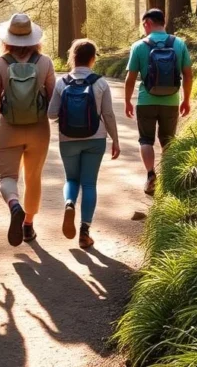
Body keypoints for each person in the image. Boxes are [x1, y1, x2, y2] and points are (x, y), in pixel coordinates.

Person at [0, 13, 55, 247]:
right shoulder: (44, 62)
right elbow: (54, 98)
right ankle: (28, 226)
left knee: (7, 177)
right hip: (39, 129)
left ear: (7, 39)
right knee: (33, 178)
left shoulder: (0, 63)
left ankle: (14, 205)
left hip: (9, 128)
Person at [48, 39, 120, 249]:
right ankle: (84, 232)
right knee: (89, 184)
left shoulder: (63, 83)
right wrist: (115, 139)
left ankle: (69, 203)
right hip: (95, 139)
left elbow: (52, 113)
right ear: (92, 58)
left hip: (68, 139)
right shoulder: (100, 82)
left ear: (72, 57)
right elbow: (108, 114)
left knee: (72, 179)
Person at [123, 8, 193, 196]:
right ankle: (168, 179)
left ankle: (151, 176)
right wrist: (186, 100)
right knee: (167, 140)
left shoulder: (139, 46)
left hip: (146, 101)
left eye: (143, 25)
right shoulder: (179, 43)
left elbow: (130, 78)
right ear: (163, 22)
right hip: (171, 100)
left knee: (146, 139)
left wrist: (128, 101)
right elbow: (188, 75)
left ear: (147, 23)